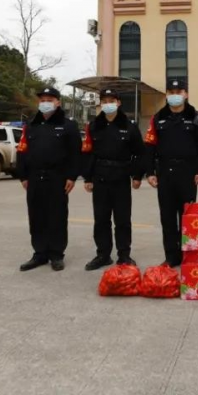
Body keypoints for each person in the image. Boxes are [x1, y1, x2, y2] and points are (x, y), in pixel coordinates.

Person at [144, 79, 198, 267]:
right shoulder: (158, 118)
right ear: (167, 95)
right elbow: (149, 146)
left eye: (179, 91)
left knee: (187, 217)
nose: (175, 95)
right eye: (171, 91)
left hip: (188, 173)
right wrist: (149, 172)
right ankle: (171, 257)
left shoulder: (196, 117)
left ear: (186, 94)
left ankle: (187, 255)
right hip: (164, 172)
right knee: (167, 217)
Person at [15, 86, 82, 272]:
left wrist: (72, 176)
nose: (45, 103)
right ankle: (39, 253)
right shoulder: (31, 125)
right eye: (42, 100)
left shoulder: (68, 125)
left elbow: (75, 153)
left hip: (58, 177)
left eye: (50, 100)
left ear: (58, 102)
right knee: (36, 216)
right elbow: (22, 150)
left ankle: (56, 254)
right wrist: (23, 175)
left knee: (57, 216)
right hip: (35, 177)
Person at [82, 88, 145, 271]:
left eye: (112, 100)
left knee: (123, 220)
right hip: (100, 177)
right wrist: (88, 177)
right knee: (101, 219)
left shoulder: (129, 126)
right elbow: (88, 153)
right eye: (104, 100)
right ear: (100, 103)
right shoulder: (94, 126)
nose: (108, 104)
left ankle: (124, 255)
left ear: (118, 102)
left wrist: (137, 175)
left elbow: (140, 153)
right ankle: (103, 254)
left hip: (121, 177)